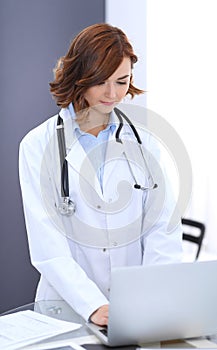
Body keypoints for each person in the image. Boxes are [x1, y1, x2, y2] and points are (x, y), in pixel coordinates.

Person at [19, 23, 183, 327]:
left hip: (135, 310)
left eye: (122, 82)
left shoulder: (145, 142)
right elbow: (48, 248)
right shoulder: (37, 146)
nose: (112, 94)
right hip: (66, 311)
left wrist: (155, 294)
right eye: (101, 82)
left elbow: (163, 228)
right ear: (79, 76)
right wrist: (93, 305)